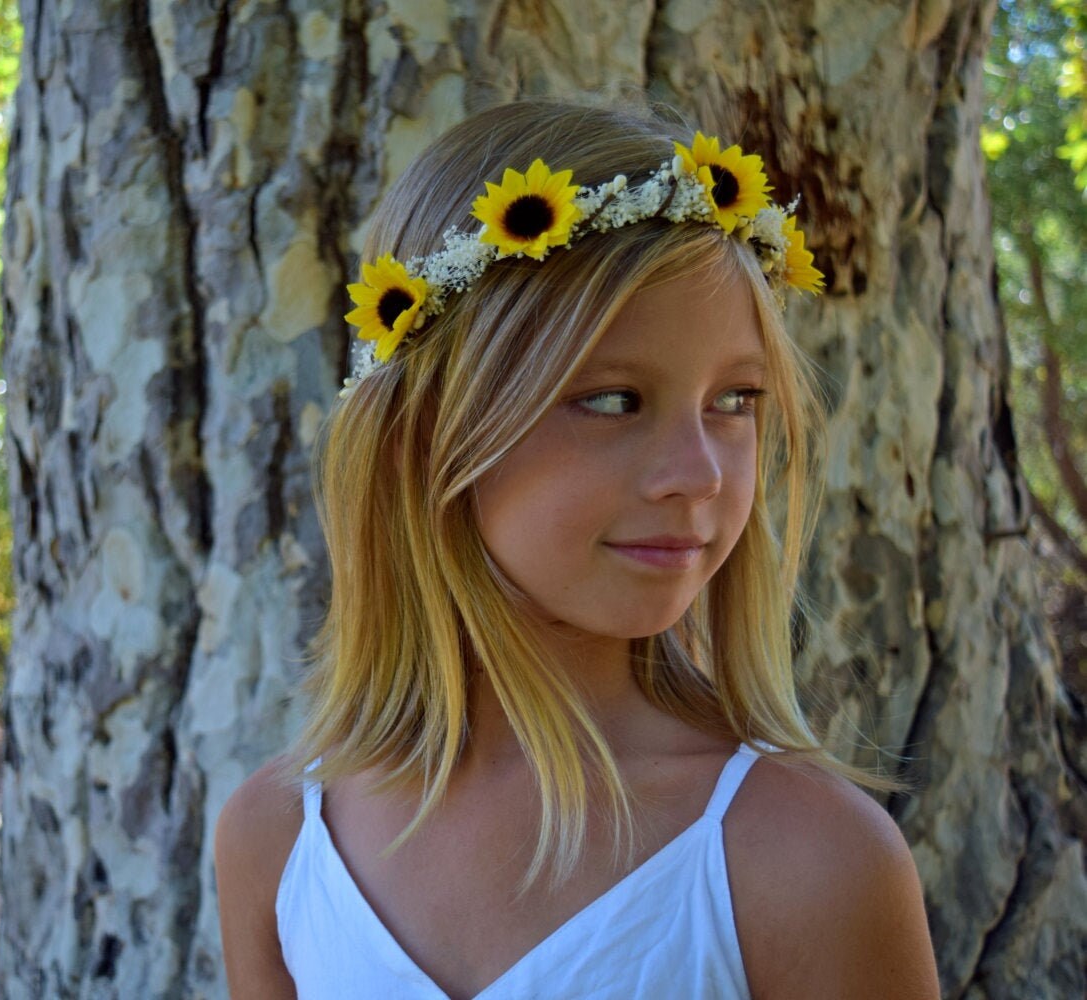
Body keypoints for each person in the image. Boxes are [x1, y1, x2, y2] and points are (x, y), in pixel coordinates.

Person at [214, 100, 941, 1000]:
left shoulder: (808, 861)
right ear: (428, 432)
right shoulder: (278, 842)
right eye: (612, 400)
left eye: (737, 400)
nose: (699, 473)